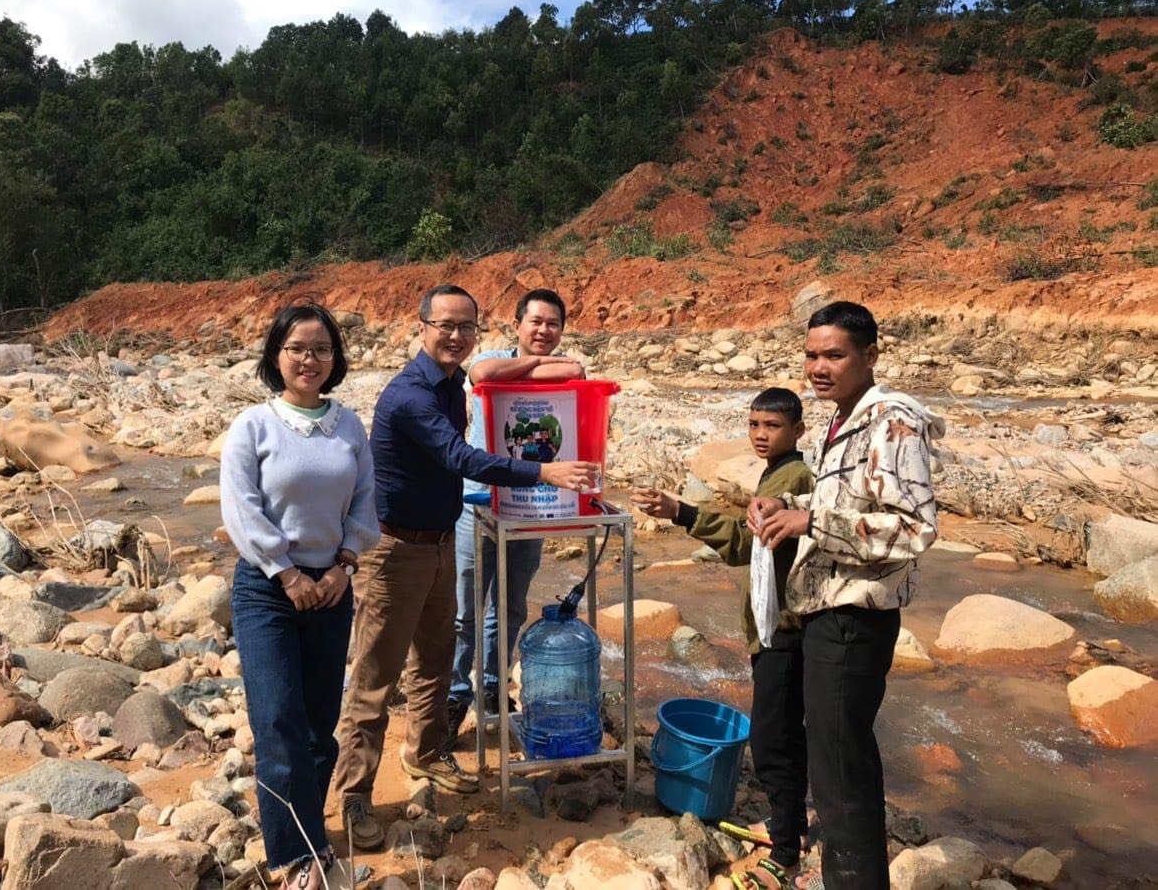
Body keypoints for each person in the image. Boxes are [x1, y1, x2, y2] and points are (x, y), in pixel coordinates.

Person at [333, 284, 596, 851]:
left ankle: (425, 752)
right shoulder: (411, 394)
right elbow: (458, 458)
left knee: (432, 659)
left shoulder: (452, 384)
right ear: (422, 326)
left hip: (439, 538)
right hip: (394, 549)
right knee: (376, 677)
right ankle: (354, 795)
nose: (455, 336)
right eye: (445, 325)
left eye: (465, 326)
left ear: (477, 330)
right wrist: (543, 473)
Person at [749, 302, 944, 890]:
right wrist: (788, 511)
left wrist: (810, 523)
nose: (818, 367)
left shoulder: (891, 419)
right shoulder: (840, 420)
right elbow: (845, 508)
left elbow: (916, 529)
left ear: (869, 356)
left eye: (834, 355)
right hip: (826, 615)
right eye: (811, 354)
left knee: (841, 772)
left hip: (854, 620)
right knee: (835, 765)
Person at [220, 303, 380, 890]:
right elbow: (241, 508)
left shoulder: (349, 426)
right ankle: (293, 860)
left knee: (318, 724)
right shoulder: (253, 426)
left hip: (332, 584)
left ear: (334, 358)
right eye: (296, 349)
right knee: (278, 718)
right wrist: (287, 574)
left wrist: (344, 565)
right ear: (276, 356)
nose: (308, 359)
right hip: (268, 588)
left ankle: (310, 837)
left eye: (320, 349)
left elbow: (365, 504)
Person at [633, 388, 814, 889]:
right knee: (786, 732)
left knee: (775, 737)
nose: (760, 434)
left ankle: (784, 856)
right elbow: (744, 544)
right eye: (754, 424)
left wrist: (683, 513)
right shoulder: (777, 472)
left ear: (798, 431)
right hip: (774, 626)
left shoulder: (793, 477)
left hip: (783, 629)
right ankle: (789, 826)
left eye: (772, 426)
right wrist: (681, 511)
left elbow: (742, 542)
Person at [448, 288, 585, 744]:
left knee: (508, 607)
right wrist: (533, 364)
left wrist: (537, 366)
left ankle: (492, 687)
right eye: (536, 322)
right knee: (465, 610)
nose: (544, 331)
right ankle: (452, 694)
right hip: (477, 503)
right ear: (518, 324)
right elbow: (482, 371)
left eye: (553, 325)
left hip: (532, 503)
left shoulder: (560, 370)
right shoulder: (493, 358)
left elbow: (577, 370)